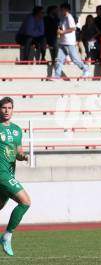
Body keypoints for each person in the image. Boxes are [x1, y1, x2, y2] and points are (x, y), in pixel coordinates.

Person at [0, 97, 31, 256]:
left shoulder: (17, 130)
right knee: (25, 202)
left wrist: (23, 156)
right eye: (3, 107)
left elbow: (18, 152)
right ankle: (7, 236)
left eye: (9, 108)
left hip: (9, 173)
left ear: (12, 110)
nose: (6, 110)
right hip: (1, 174)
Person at [52, 3, 90, 80]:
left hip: (69, 43)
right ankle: (57, 76)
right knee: (59, 59)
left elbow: (73, 28)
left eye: (62, 9)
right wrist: (60, 32)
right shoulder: (63, 18)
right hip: (63, 42)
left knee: (75, 59)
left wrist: (63, 32)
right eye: (60, 9)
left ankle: (86, 69)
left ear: (66, 9)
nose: (60, 11)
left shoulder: (69, 17)